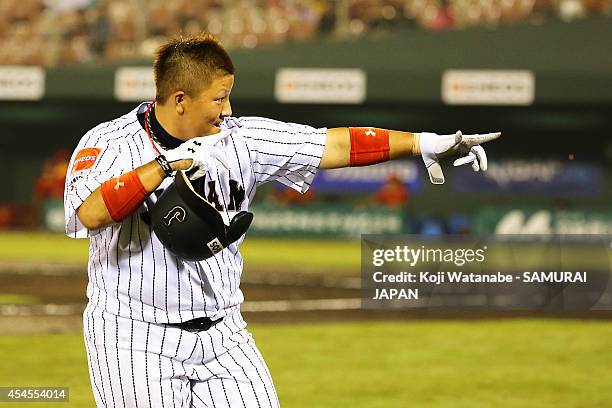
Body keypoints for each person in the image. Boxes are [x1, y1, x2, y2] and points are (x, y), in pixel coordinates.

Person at [63, 33, 499, 407]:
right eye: (218, 98)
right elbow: (91, 212)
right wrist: (162, 167)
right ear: (180, 100)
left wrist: (423, 143)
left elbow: (332, 145)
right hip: (134, 336)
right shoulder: (109, 143)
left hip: (224, 334)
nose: (228, 108)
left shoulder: (242, 138)